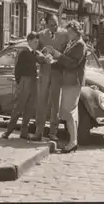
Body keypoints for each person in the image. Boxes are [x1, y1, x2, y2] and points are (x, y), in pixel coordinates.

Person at [47, 20, 87, 153]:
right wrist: (53, 61)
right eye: (68, 32)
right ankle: (73, 140)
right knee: (71, 112)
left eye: (71, 32)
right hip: (68, 81)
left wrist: (58, 55)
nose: (69, 35)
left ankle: (73, 142)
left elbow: (72, 63)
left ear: (77, 32)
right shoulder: (73, 43)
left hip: (73, 82)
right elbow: (65, 61)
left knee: (68, 112)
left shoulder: (80, 45)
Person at [31, 14, 69, 142]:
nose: (55, 27)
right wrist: (41, 58)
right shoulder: (41, 35)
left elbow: (69, 51)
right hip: (44, 72)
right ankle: (38, 131)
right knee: (41, 102)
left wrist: (60, 58)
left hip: (58, 72)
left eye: (56, 24)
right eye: (52, 25)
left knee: (55, 104)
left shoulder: (65, 34)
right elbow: (35, 51)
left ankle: (53, 132)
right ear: (46, 25)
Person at [2, 32, 45, 140]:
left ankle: (24, 131)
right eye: (35, 42)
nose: (36, 44)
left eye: (37, 42)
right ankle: (8, 131)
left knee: (29, 108)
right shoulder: (24, 53)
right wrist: (19, 82)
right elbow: (18, 69)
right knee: (19, 106)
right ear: (29, 41)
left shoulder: (34, 53)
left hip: (32, 81)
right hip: (24, 81)